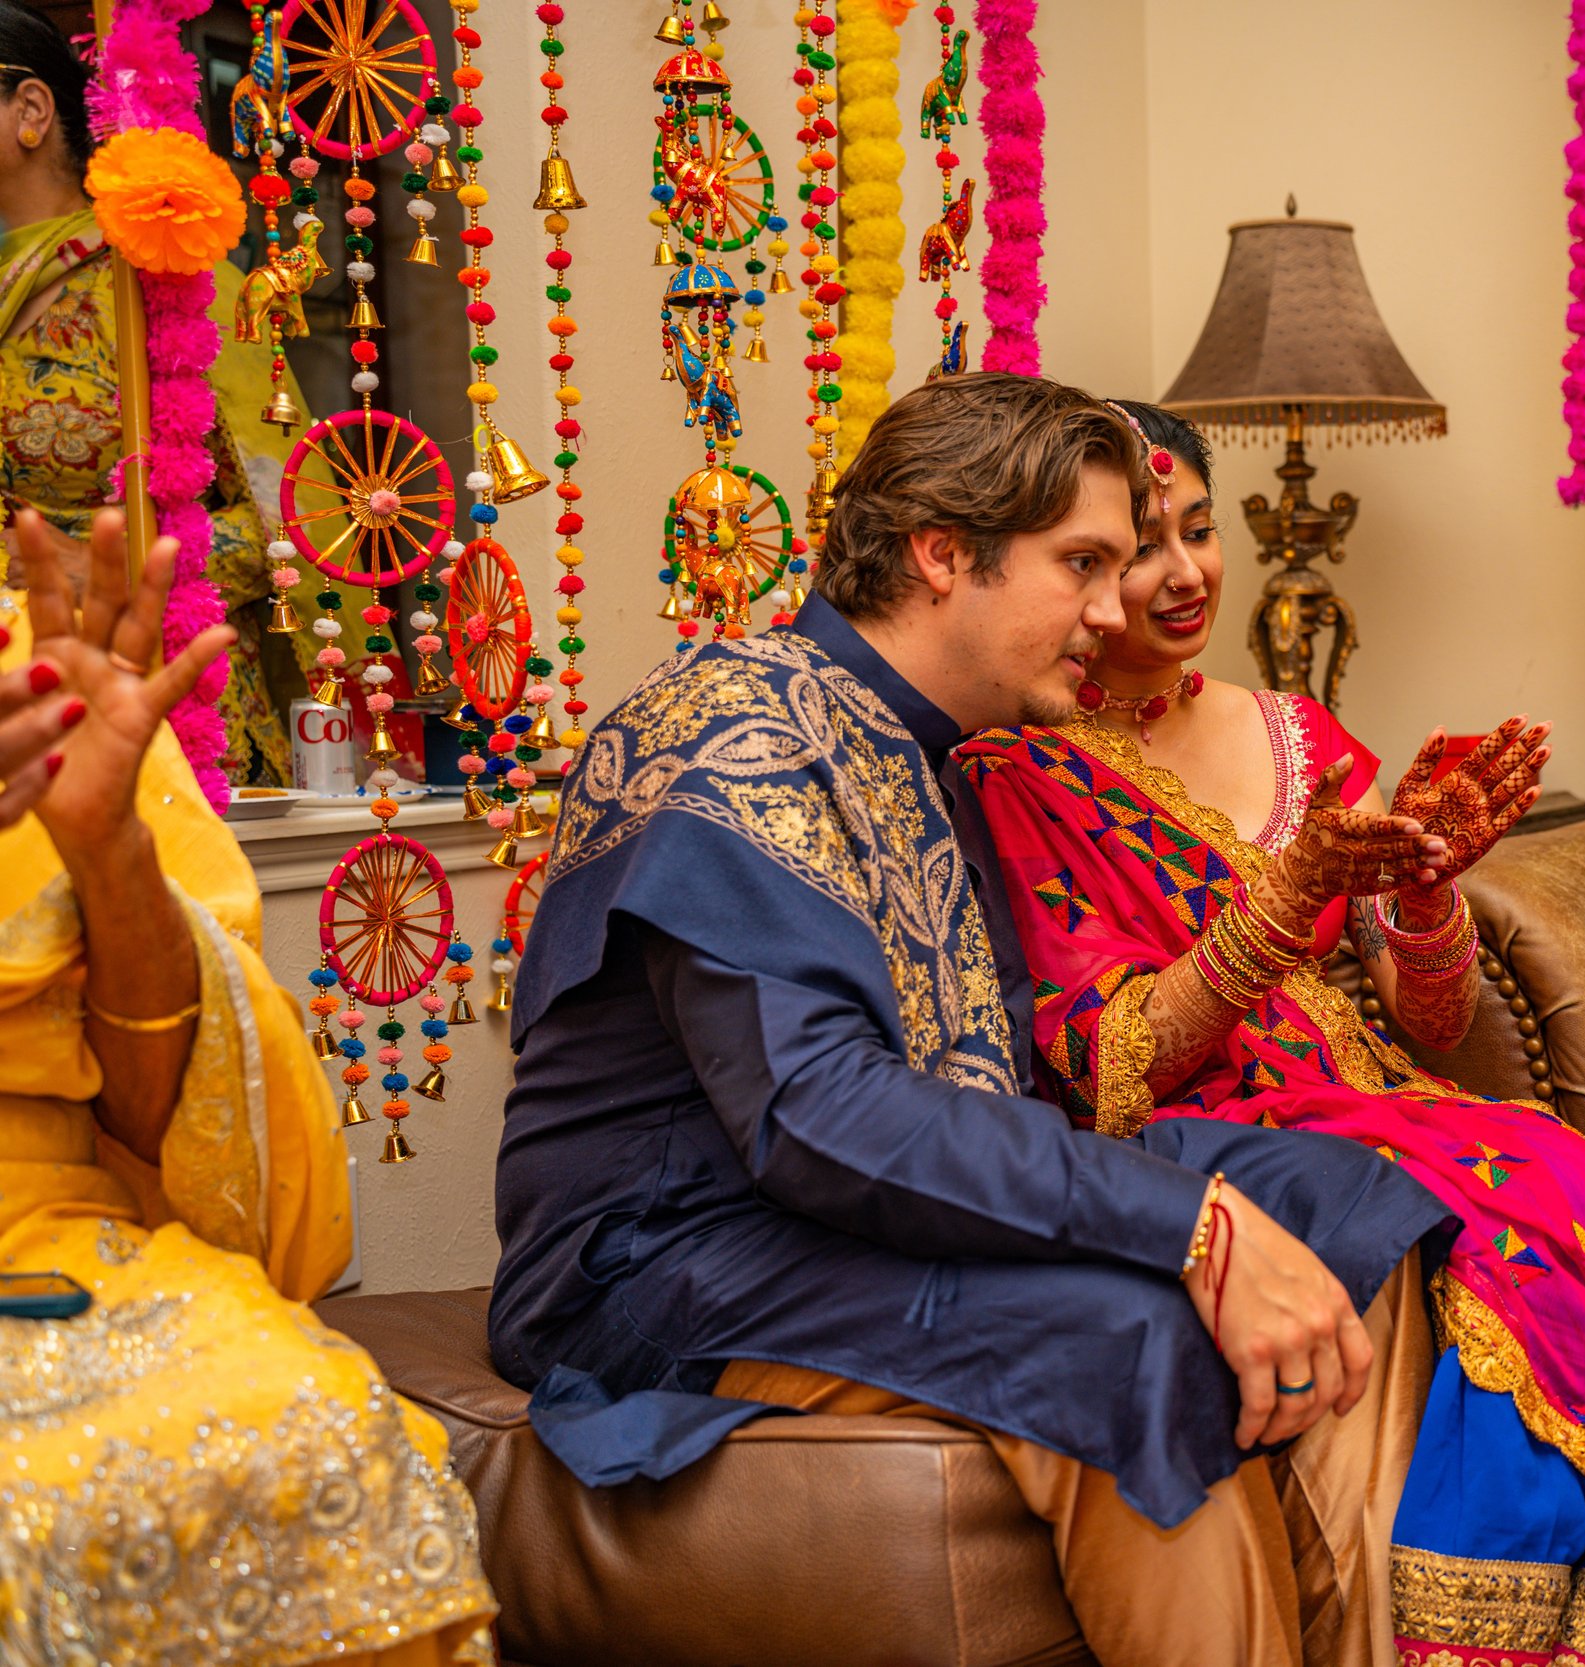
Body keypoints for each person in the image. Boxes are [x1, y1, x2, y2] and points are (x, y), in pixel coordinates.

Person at [490, 375, 1457, 1667]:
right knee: (1135, 1335)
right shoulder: (734, 733)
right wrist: (1192, 1225)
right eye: (1084, 565)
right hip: (678, 1255)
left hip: (854, 1209)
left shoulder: (930, 749)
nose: (1118, 610)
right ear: (946, 555)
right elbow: (816, 1114)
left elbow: (980, 1071)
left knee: (1345, 1192)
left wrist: (1223, 1205)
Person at [960, 400, 1585, 1664]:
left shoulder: (1298, 735)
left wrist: (1428, 887)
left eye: (1198, 531)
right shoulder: (1019, 768)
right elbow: (1110, 1065)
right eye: (1134, 550)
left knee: (1553, 1165)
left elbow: (1429, 1026)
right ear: (1069, 571)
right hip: (1202, 1131)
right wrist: (1280, 909)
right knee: (1489, 1191)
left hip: (1379, 1096)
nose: (1182, 575)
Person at [0, 508, 496, 1663]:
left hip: (45, 1234)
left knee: (313, 1420)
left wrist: (107, 849)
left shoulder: (34, 662)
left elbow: (182, 1131)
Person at [0, 4, 320, 786]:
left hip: (165, 716)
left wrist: (105, 570)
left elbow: (305, 522)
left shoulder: (170, 286)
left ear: (31, 109)